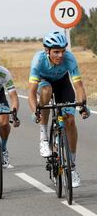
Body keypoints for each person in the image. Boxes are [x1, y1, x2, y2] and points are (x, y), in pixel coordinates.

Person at [28, 31, 90, 188]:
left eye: (62, 51)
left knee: (70, 120)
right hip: (44, 82)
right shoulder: (38, 60)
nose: (60, 55)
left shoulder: (69, 58)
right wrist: (35, 110)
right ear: (47, 51)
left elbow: (79, 86)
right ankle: (43, 137)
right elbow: (31, 91)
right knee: (46, 92)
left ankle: (72, 166)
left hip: (63, 84)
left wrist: (83, 104)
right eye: (56, 51)